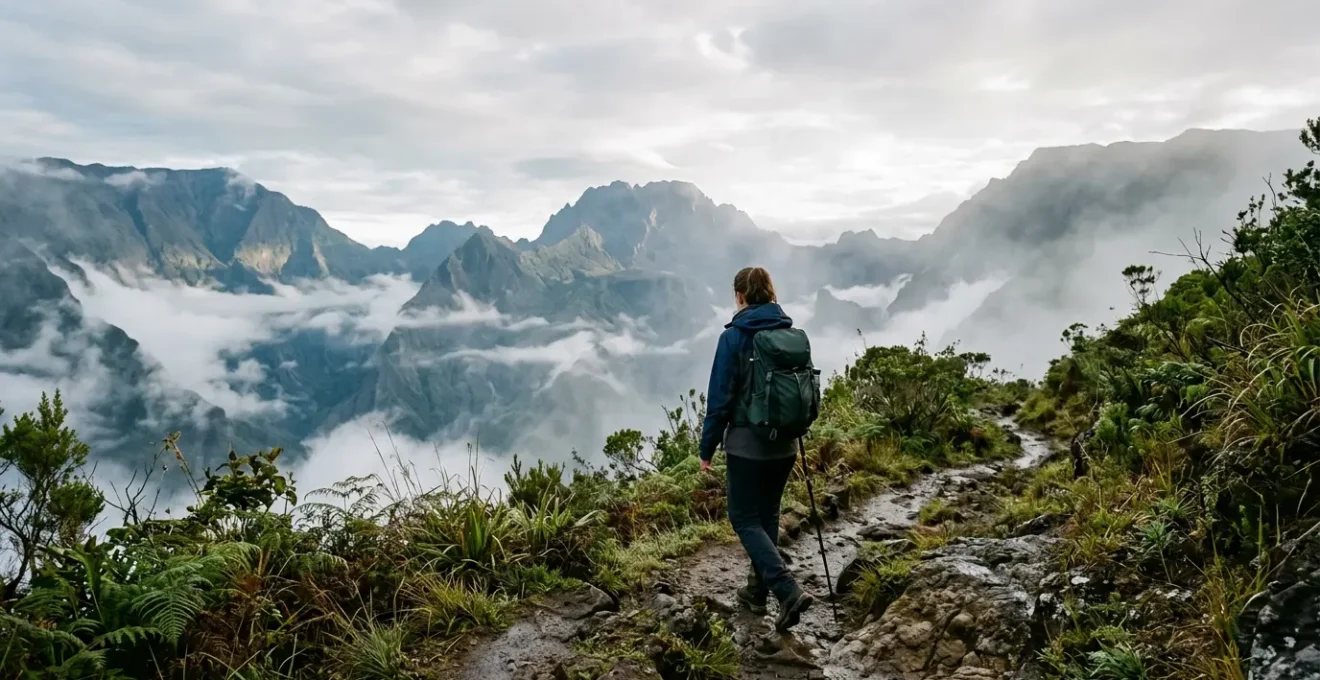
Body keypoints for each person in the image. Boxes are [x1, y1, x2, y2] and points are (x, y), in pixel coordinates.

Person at [698, 266, 814, 632]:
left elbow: (719, 399)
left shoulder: (733, 338)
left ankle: (787, 589)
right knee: (766, 518)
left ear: (740, 297)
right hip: (787, 443)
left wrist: (707, 448)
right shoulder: (791, 334)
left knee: (743, 518)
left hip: (748, 445)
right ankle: (755, 593)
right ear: (770, 293)